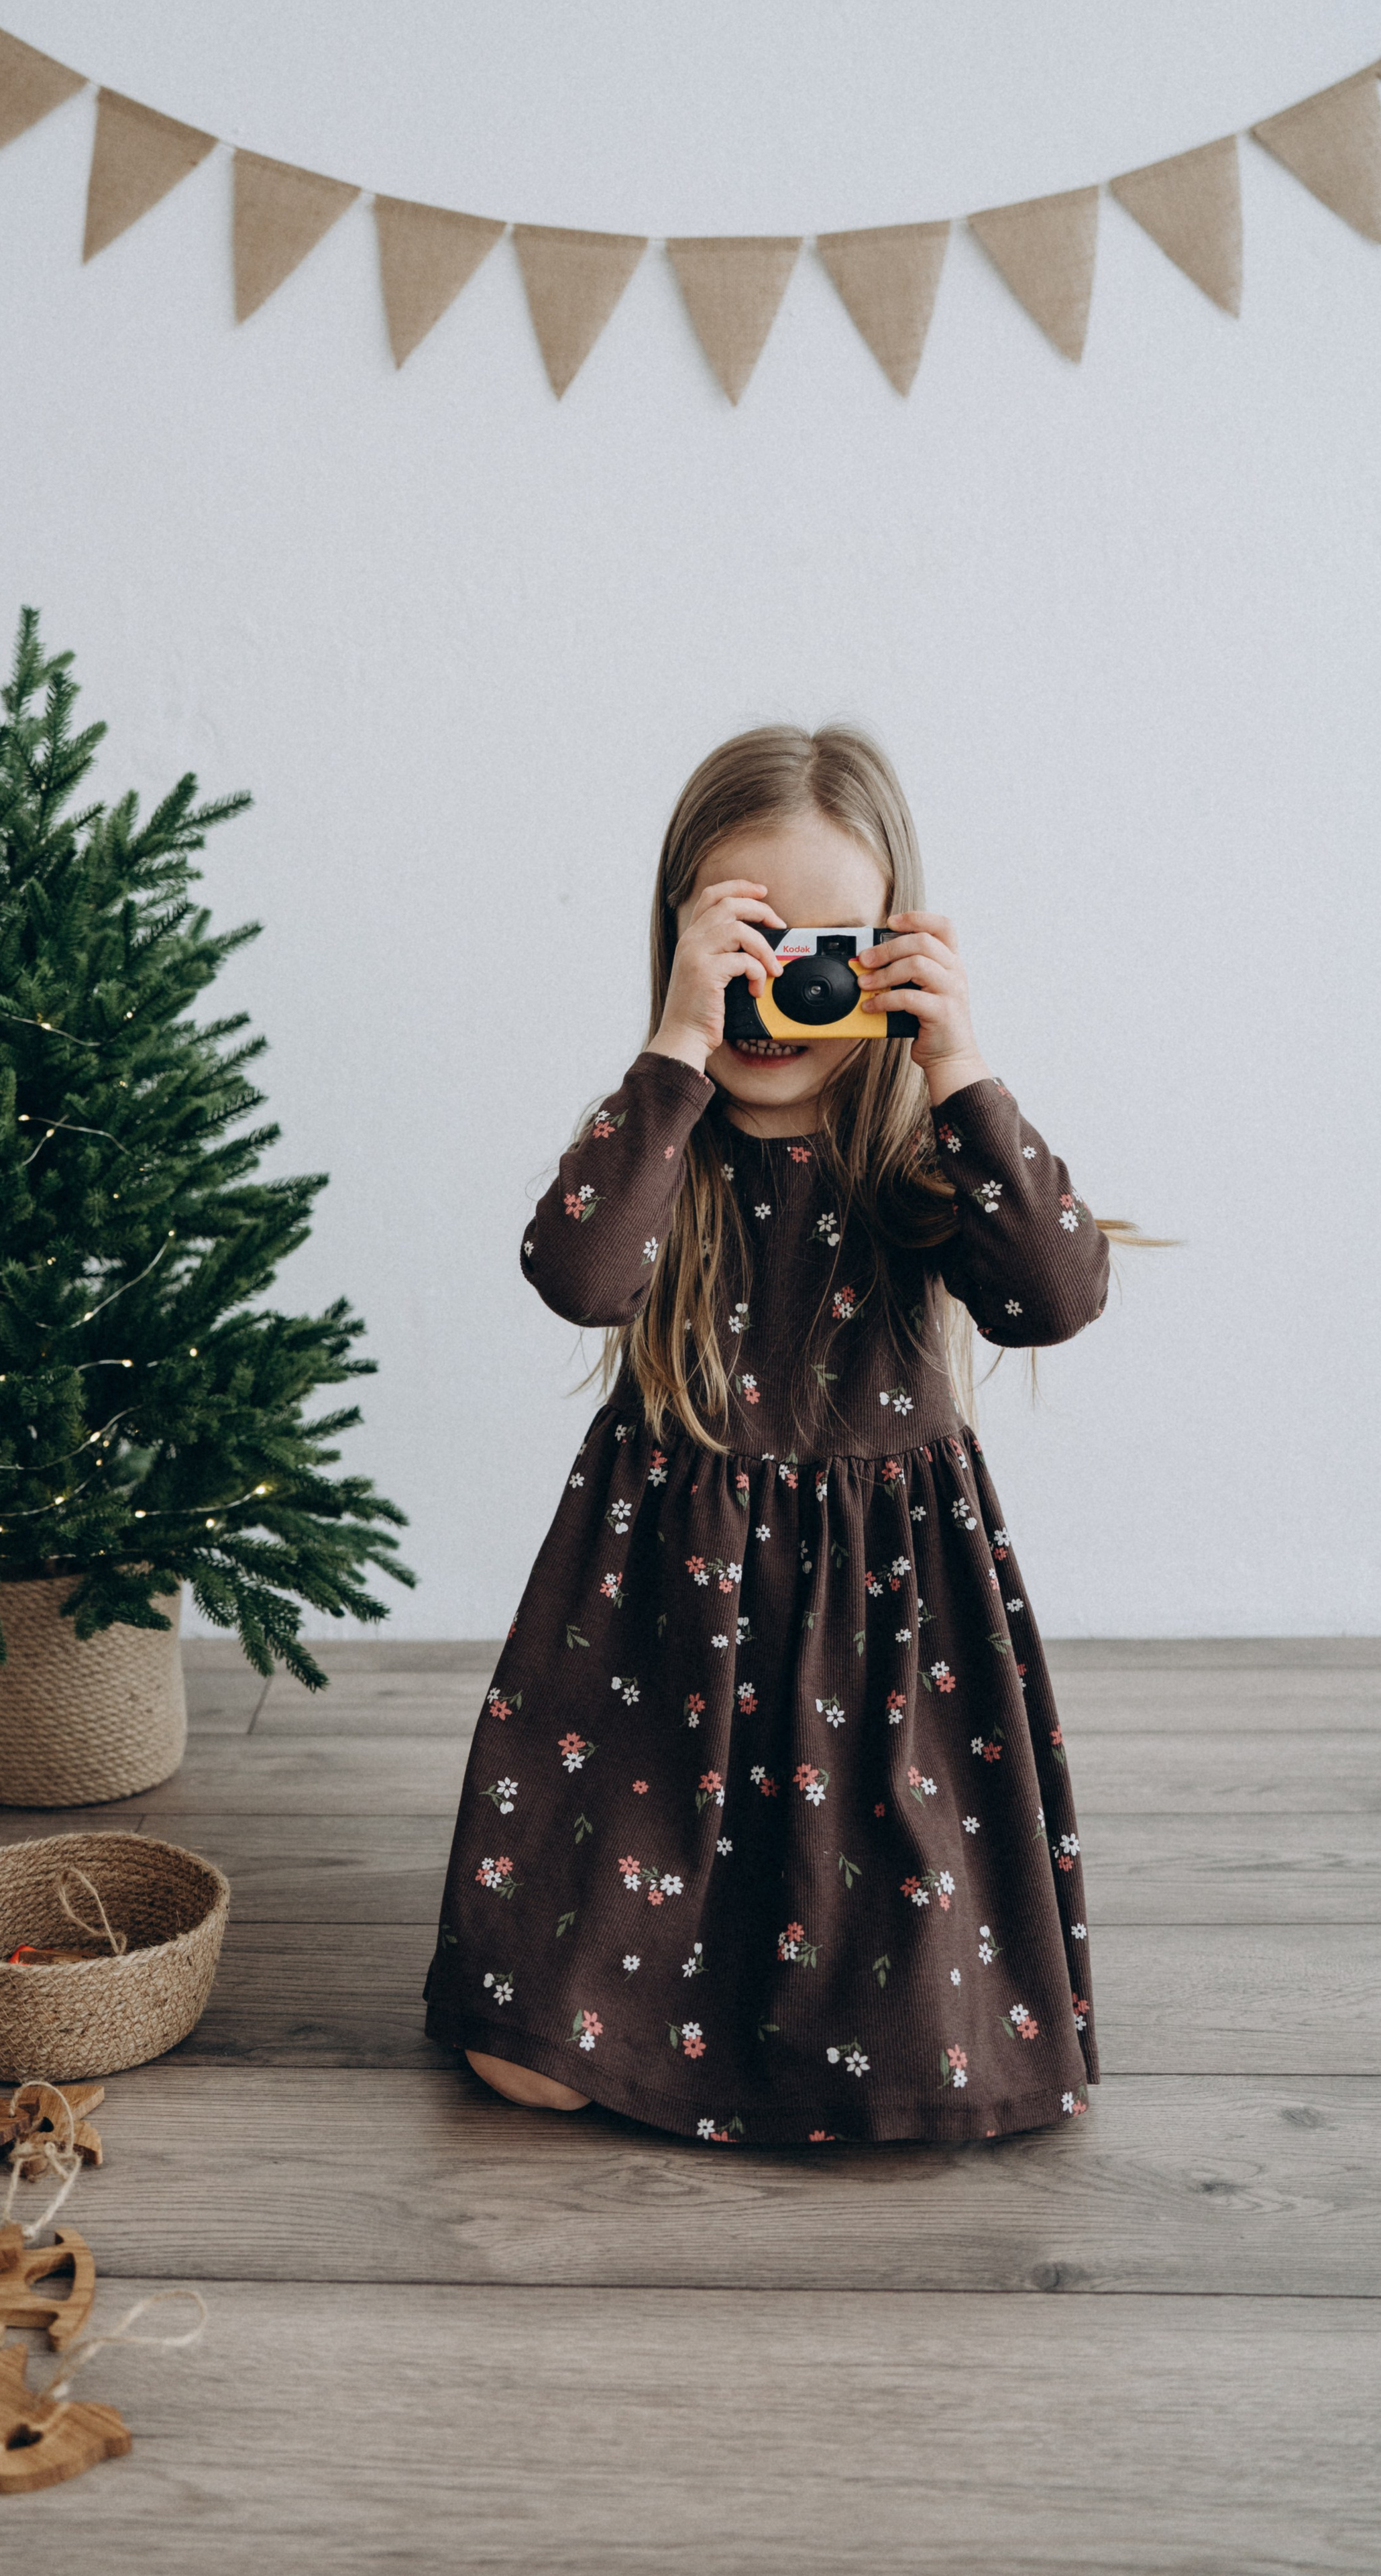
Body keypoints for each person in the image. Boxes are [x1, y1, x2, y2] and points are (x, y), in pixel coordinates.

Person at [421, 722, 1138, 2144]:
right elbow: (576, 1276)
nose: (779, 989)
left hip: (877, 1619)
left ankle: (802, 2036)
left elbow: (1053, 1298)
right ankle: (669, 2023)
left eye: (826, 946)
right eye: (744, 939)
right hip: (658, 1622)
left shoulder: (920, 1147)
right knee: (518, 2059)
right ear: (680, 938)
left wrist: (961, 1066)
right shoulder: (657, 1132)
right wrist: (676, 1044)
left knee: (920, 2042)